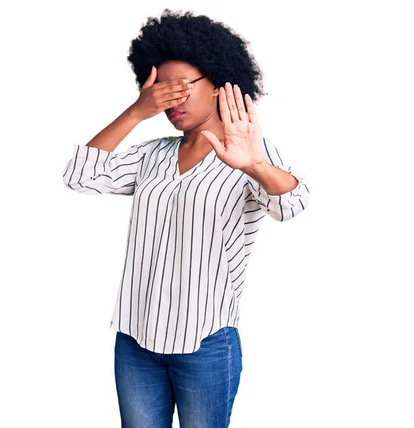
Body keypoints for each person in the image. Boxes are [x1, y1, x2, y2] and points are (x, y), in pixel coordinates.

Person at [62, 9, 311, 427]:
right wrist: (136, 112)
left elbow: (291, 203)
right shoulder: (152, 154)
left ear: (218, 84)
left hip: (205, 342)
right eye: (158, 90)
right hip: (136, 339)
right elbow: (80, 176)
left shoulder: (249, 154)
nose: (168, 100)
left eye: (179, 88)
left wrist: (252, 165)